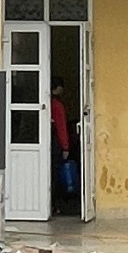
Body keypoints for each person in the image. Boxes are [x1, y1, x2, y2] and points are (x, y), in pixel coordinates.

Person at [50, 77, 79, 210]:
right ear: (58, 88)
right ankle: (56, 204)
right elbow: (62, 127)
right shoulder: (57, 105)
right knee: (56, 175)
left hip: (44, 141)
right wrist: (66, 147)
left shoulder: (43, 101)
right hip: (56, 144)